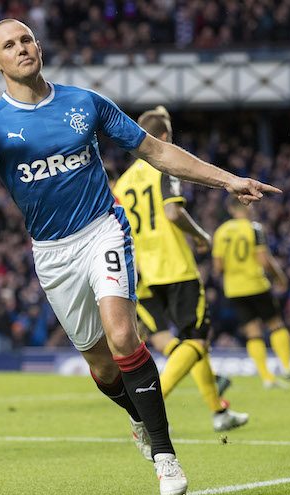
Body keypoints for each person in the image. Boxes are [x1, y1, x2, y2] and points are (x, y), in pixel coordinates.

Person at [0, 18, 281, 495]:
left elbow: (156, 151)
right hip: (53, 254)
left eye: (26, 39)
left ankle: (165, 455)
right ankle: (139, 419)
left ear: (39, 46)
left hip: (103, 229)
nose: (21, 48)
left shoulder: (85, 103)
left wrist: (228, 180)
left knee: (123, 335)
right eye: (9, 45)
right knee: (102, 365)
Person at [111, 106, 249, 433]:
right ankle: (146, 412)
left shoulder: (124, 183)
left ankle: (218, 411)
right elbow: (173, 214)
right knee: (197, 341)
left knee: (177, 342)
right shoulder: (163, 166)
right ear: (162, 138)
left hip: (142, 271)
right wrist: (201, 236)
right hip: (175, 267)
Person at [212, 197, 290, 388]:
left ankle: (267, 378)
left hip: (234, 289)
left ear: (231, 210)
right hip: (256, 285)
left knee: (252, 332)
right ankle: (287, 367)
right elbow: (264, 259)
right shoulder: (254, 228)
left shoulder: (221, 232)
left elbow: (218, 267)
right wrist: (279, 277)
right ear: (247, 207)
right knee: (276, 325)